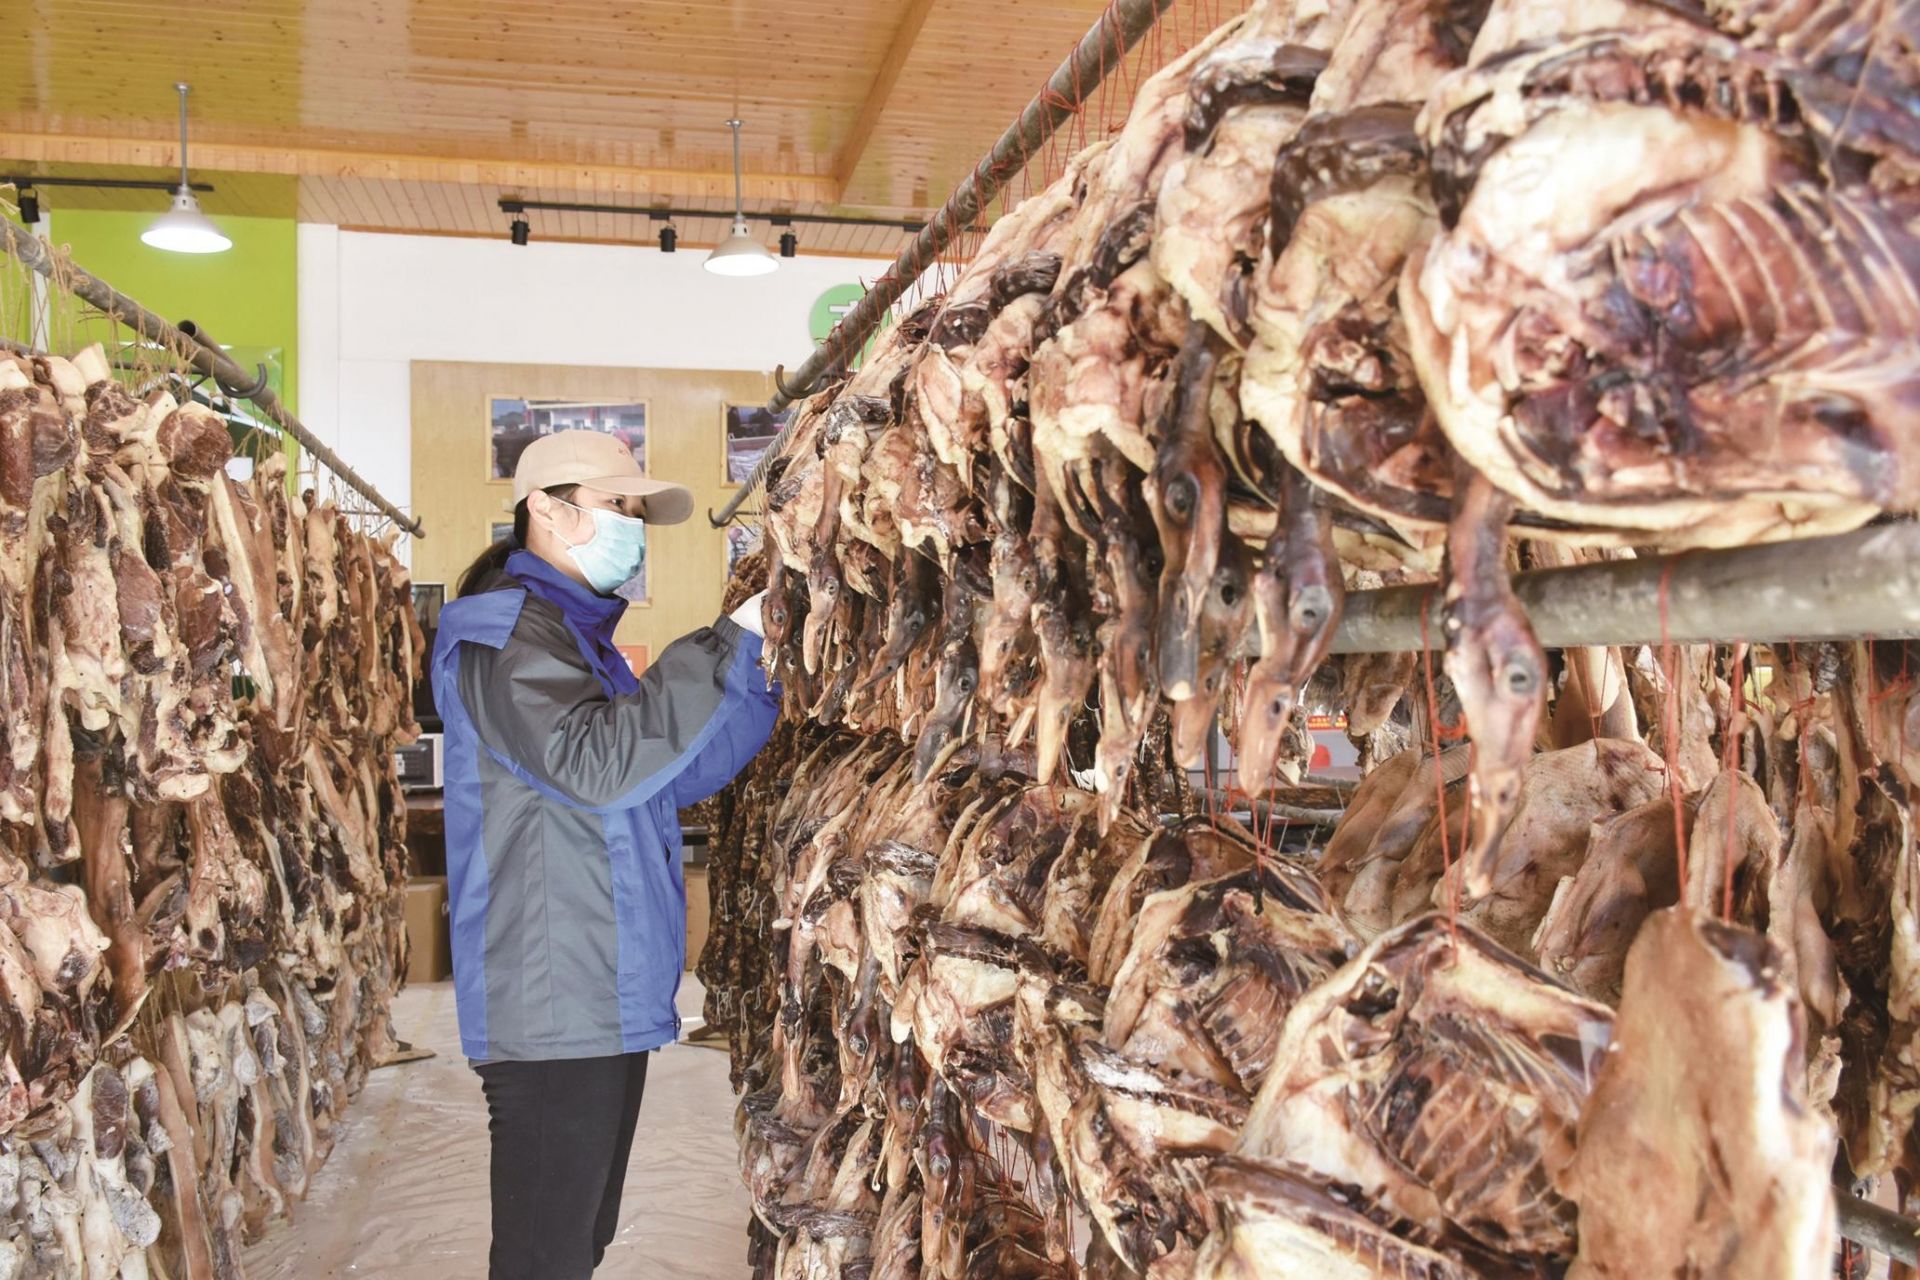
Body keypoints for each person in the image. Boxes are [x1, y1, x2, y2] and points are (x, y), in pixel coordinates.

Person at [430, 430, 776, 1279]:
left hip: (599, 984)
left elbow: (669, 773)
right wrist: (724, 644)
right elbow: (599, 763)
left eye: (634, 509)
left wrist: (757, 671)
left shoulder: (571, 637)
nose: (631, 524)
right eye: (615, 504)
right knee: (546, 1252)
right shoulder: (502, 637)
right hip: (552, 994)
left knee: (579, 1238)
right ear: (545, 511)